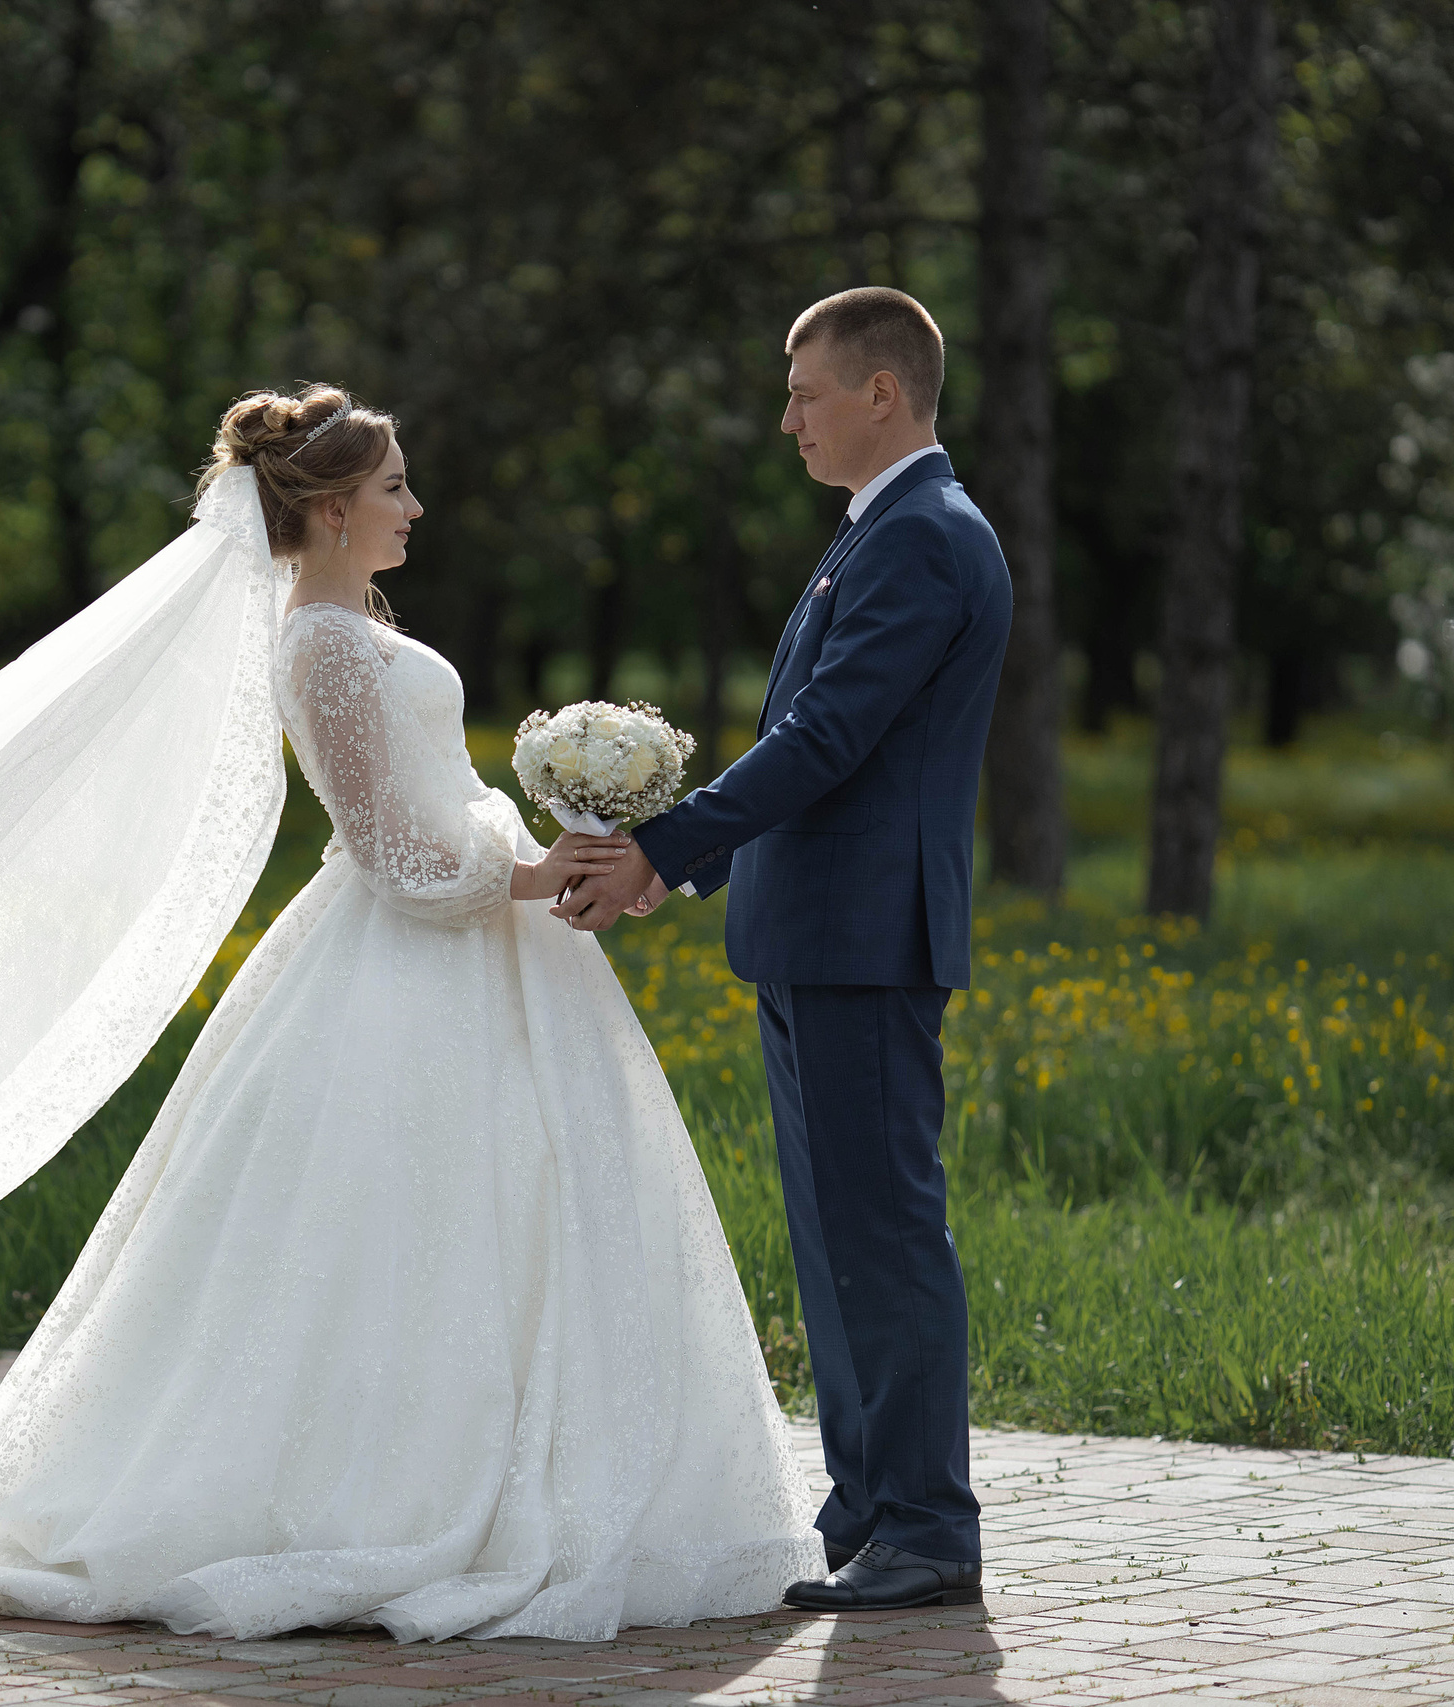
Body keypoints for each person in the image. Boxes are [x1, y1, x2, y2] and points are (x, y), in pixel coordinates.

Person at [0, 385, 826, 1640]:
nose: (413, 507)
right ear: (329, 511)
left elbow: (424, 803)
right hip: (400, 960)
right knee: (385, 1225)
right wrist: (537, 872)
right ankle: (370, 1497)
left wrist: (559, 848)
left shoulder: (346, 629)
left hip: (471, 951)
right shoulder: (319, 642)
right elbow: (387, 852)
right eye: (392, 488)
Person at [557, 287, 1014, 1613]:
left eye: (808, 392)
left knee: (883, 1236)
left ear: (885, 393)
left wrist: (663, 846)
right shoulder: (874, 535)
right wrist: (689, 857)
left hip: (867, 944)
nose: (788, 417)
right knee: (834, 1244)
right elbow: (817, 751)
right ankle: (872, 1512)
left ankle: (927, 1523)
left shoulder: (923, 537)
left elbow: (827, 740)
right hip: (816, 935)